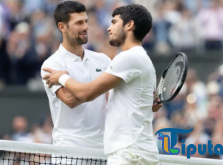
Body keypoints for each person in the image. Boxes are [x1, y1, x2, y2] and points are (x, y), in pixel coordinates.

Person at [43, 4, 160, 165]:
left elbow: (90, 93)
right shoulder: (52, 64)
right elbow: (70, 99)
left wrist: (64, 79)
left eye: (86, 21)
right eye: (79, 23)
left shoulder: (104, 60)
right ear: (62, 27)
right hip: (70, 150)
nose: (85, 27)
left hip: (106, 150)